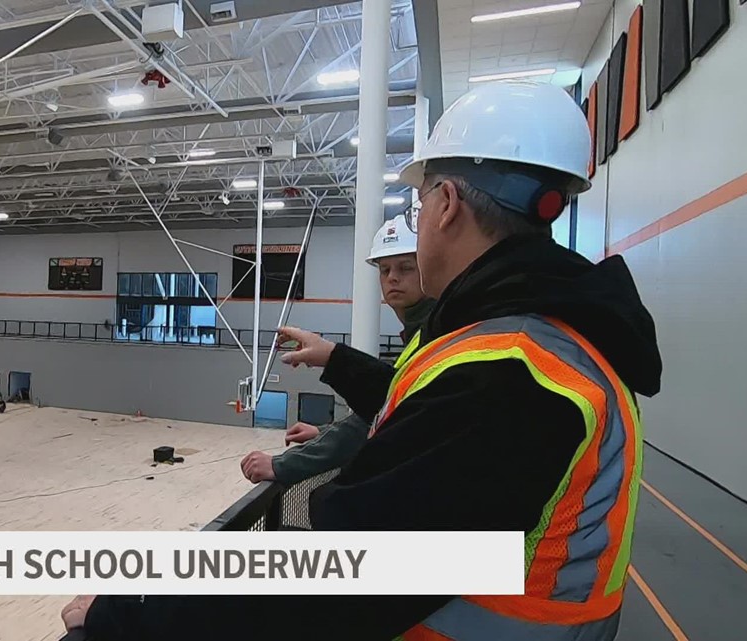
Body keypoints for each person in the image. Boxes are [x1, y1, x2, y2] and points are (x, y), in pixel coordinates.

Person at [61, 81, 662, 641]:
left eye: (420, 200)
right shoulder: (548, 340)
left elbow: (339, 579)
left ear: (447, 202)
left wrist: (122, 615)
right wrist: (340, 364)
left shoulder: (508, 373)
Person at [240, 215, 434, 485]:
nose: (393, 278)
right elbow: (384, 409)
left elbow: (386, 417)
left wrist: (283, 464)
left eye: (405, 268)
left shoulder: (433, 334)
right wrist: (322, 432)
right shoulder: (420, 331)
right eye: (384, 269)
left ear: (429, 267)